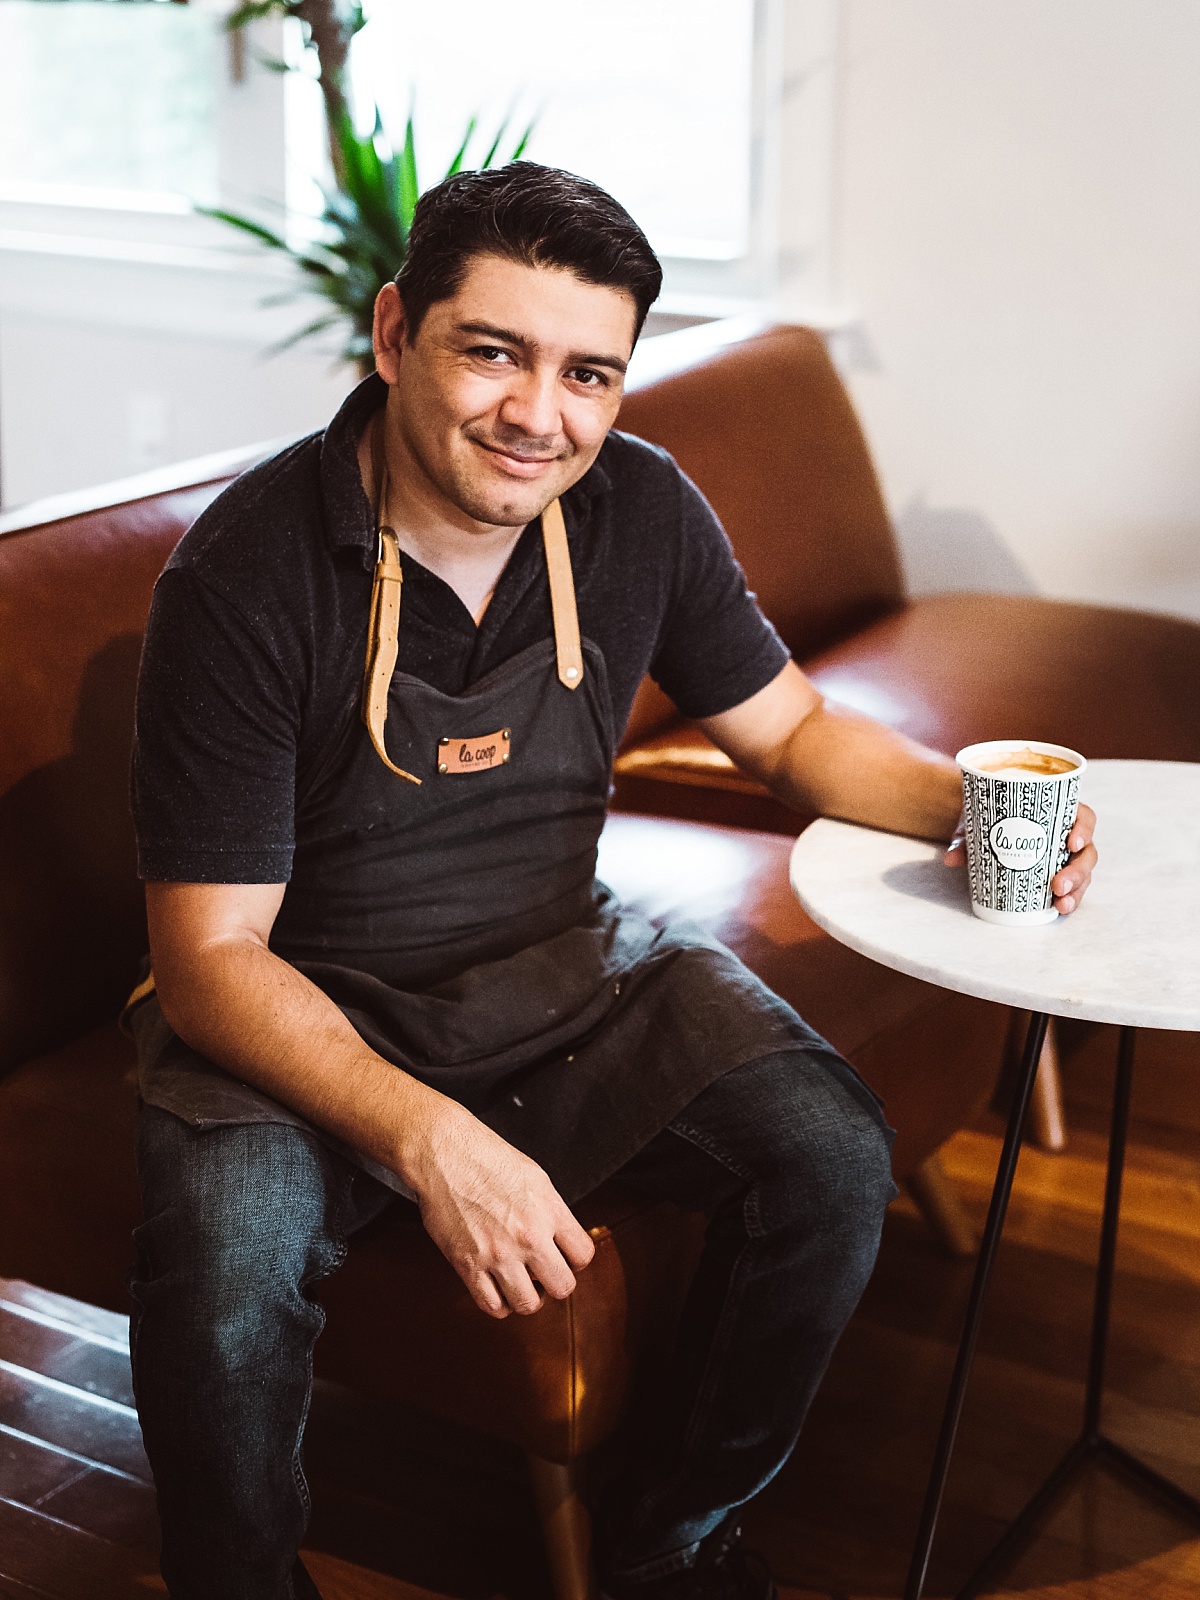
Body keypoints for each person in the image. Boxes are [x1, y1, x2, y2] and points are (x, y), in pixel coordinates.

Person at [126, 162, 1097, 1600]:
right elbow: (212, 957)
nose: (542, 415)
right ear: (395, 334)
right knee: (220, 1261)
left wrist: (977, 804)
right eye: (493, 352)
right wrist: (430, 1140)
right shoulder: (246, 574)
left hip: (558, 972)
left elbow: (798, 733)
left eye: (590, 373)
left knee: (830, 1154)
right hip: (297, 1016)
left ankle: (678, 1548)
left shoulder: (638, 510)